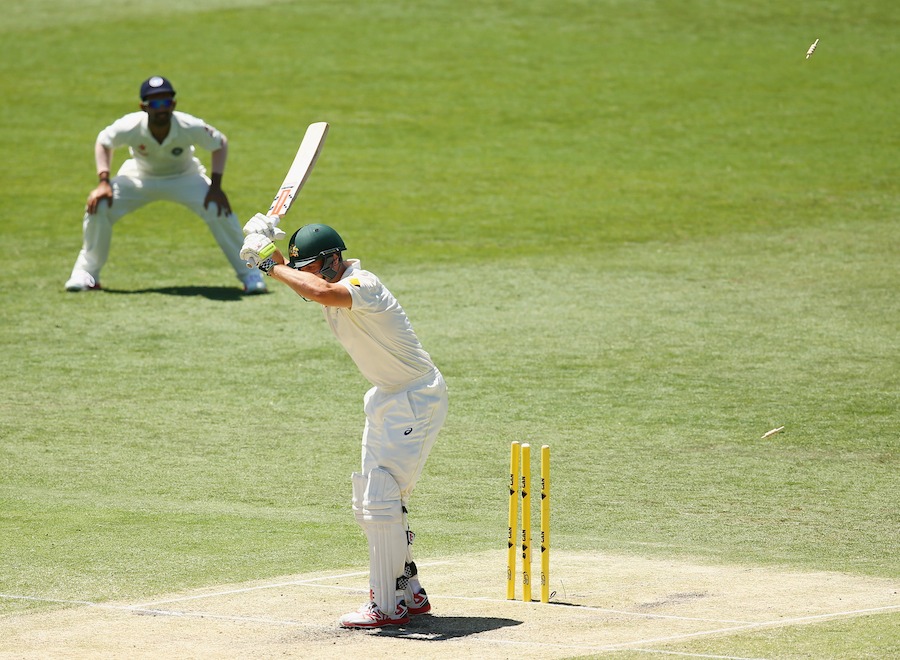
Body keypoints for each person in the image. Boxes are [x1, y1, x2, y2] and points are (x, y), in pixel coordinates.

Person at [240, 215, 449, 628]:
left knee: (381, 500)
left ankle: (386, 606)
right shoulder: (327, 282)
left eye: (313, 266)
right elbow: (308, 284)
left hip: (415, 396)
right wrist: (265, 249)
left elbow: (319, 290)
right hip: (388, 396)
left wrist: (267, 263)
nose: (308, 276)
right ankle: (409, 592)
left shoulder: (362, 285)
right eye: (304, 269)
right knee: (375, 500)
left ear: (334, 260)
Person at [64, 76, 266, 294]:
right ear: (143, 107)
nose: (161, 108)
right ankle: (86, 274)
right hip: (139, 177)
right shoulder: (129, 125)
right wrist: (103, 182)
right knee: (99, 205)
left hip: (184, 177)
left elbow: (220, 143)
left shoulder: (189, 125)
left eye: (166, 102)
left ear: (174, 104)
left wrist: (216, 187)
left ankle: (251, 274)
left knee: (218, 208)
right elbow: (104, 142)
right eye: (155, 103)